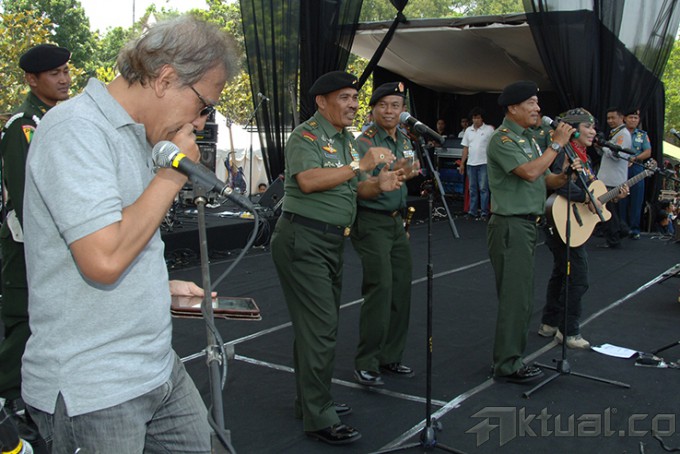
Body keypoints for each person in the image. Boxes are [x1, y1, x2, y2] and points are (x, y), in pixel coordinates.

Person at [21, 17, 238, 452]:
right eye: (202, 105)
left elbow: (121, 235)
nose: (199, 123)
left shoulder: (138, 136)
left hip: (156, 366)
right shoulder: (74, 129)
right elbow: (104, 259)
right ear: (165, 79)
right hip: (96, 385)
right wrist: (172, 173)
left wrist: (156, 284)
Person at [270, 71, 401, 445]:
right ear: (321, 101)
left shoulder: (346, 140)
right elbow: (309, 180)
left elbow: (355, 187)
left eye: (355, 98)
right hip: (303, 240)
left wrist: (379, 184)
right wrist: (360, 167)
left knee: (315, 328)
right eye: (344, 97)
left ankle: (310, 401)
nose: (353, 105)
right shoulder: (305, 136)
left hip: (330, 242)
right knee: (321, 327)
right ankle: (320, 415)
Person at [0, 43, 71, 445]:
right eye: (54, 73)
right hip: (28, 247)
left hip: (55, 245)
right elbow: (28, 199)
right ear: (31, 79)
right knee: (25, 327)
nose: (64, 79)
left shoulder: (60, 119)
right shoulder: (24, 126)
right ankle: (8, 406)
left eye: (65, 71)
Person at [486, 80, 577, 384]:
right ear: (513, 108)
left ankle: (512, 358)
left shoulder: (529, 139)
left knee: (523, 298)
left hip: (526, 225)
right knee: (515, 299)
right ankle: (507, 364)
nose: (538, 108)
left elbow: (546, 179)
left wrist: (566, 174)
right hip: (510, 226)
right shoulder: (502, 139)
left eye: (537, 103)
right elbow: (529, 172)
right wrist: (557, 144)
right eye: (531, 103)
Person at [538, 108, 628, 349]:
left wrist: (614, 195)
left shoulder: (582, 156)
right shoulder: (562, 152)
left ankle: (549, 322)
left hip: (572, 219)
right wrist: (585, 197)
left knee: (561, 273)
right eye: (588, 127)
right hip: (561, 220)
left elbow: (594, 194)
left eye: (594, 127)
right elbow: (556, 182)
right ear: (574, 129)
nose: (593, 131)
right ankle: (568, 331)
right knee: (578, 277)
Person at [351, 82, 420, 387]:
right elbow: (358, 186)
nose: (389, 111)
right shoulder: (364, 143)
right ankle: (366, 362)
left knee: (402, 288)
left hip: (397, 221)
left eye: (395, 105)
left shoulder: (404, 138)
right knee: (380, 288)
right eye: (383, 105)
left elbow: (406, 173)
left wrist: (406, 171)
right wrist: (382, 181)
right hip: (371, 221)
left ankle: (390, 356)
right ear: (373, 110)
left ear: (403, 110)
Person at [596, 107, 632, 248]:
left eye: (613, 118)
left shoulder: (623, 134)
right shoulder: (616, 133)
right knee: (610, 209)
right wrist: (600, 147)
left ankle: (614, 237)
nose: (610, 121)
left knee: (609, 211)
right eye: (608, 118)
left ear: (621, 118)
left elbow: (617, 155)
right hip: (607, 177)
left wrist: (604, 145)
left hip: (613, 178)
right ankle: (621, 230)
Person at [618, 108, 652, 239]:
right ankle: (622, 228)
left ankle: (634, 229)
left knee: (637, 200)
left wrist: (635, 158)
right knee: (621, 198)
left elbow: (647, 152)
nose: (633, 120)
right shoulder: (618, 133)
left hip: (637, 168)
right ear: (624, 119)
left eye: (636, 118)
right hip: (620, 167)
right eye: (631, 117)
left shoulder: (642, 135)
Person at [460, 107, 494, 220]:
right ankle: (472, 211)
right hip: (471, 163)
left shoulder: (489, 129)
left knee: (484, 188)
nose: (476, 120)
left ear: (482, 118)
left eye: (478, 118)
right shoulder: (468, 130)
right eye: (474, 118)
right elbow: (465, 148)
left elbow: (493, 146)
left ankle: (484, 212)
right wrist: (462, 163)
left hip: (484, 162)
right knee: (472, 189)